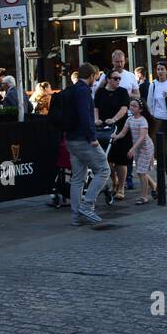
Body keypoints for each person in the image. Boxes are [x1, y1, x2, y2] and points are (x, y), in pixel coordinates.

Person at [64, 64, 109, 226]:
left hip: (70, 139)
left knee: (77, 178)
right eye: (95, 77)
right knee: (104, 170)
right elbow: (84, 115)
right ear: (91, 75)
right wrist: (92, 137)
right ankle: (87, 206)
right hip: (84, 139)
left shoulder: (73, 89)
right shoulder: (83, 91)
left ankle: (76, 217)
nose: (95, 80)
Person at [95, 68, 132, 200]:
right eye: (115, 78)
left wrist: (114, 119)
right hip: (104, 129)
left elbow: (124, 108)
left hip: (120, 129)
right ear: (108, 80)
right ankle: (114, 180)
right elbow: (96, 108)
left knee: (121, 160)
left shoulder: (122, 92)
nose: (118, 81)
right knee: (107, 159)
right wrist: (96, 119)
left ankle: (121, 187)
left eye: (119, 78)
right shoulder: (100, 92)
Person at [127, 99, 157, 204]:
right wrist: (115, 136)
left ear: (140, 109)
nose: (131, 107)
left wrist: (132, 149)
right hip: (138, 148)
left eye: (134, 106)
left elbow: (142, 137)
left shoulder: (143, 120)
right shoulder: (130, 119)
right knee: (141, 171)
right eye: (130, 105)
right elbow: (122, 132)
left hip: (146, 148)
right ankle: (154, 185)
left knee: (141, 172)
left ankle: (144, 197)